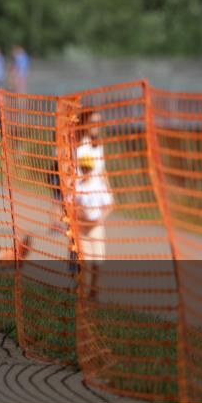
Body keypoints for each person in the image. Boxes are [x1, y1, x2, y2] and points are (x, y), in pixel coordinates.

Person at [70, 109, 114, 298]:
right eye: (93, 122)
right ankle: (78, 288)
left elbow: (102, 172)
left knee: (98, 254)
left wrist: (109, 191)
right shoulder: (78, 147)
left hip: (97, 199)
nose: (96, 126)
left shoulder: (98, 146)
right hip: (80, 199)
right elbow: (70, 173)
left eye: (99, 122)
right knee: (80, 253)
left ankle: (93, 291)